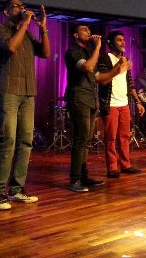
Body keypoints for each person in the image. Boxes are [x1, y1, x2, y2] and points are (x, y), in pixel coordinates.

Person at [0, 0, 50, 210]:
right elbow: (11, 48)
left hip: (28, 92)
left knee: (26, 141)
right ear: (6, 12)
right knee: (9, 141)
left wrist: (43, 29)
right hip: (8, 91)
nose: (22, 8)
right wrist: (25, 23)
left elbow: (45, 53)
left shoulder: (29, 34)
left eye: (23, 5)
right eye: (16, 6)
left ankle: (16, 189)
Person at [97, 30, 145, 178]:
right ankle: (112, 167)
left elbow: (130, 84)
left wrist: (137, 101)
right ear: (111, 43)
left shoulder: (124, 59)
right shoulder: (105, 58)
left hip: (124, 103)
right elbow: (103, 80)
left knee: (124, 136)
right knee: (111, 137)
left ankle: (126, 164)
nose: (123, 42)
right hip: (110, 103)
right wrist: (119, 65)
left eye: (123, 40)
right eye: (119, 40)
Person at [64, 25, 106, 192]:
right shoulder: (73, 52)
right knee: (80, 139)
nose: (89, 32)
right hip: (79, 97)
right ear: (76, 34)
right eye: (84, 30)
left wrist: (118, 70)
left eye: (89, 30)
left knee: (86, 141)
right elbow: (87, 67)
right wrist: (98, 47)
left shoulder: (89, 54)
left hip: (90, 99)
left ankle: (83, 176)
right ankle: (75, 180)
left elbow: (97, 78)